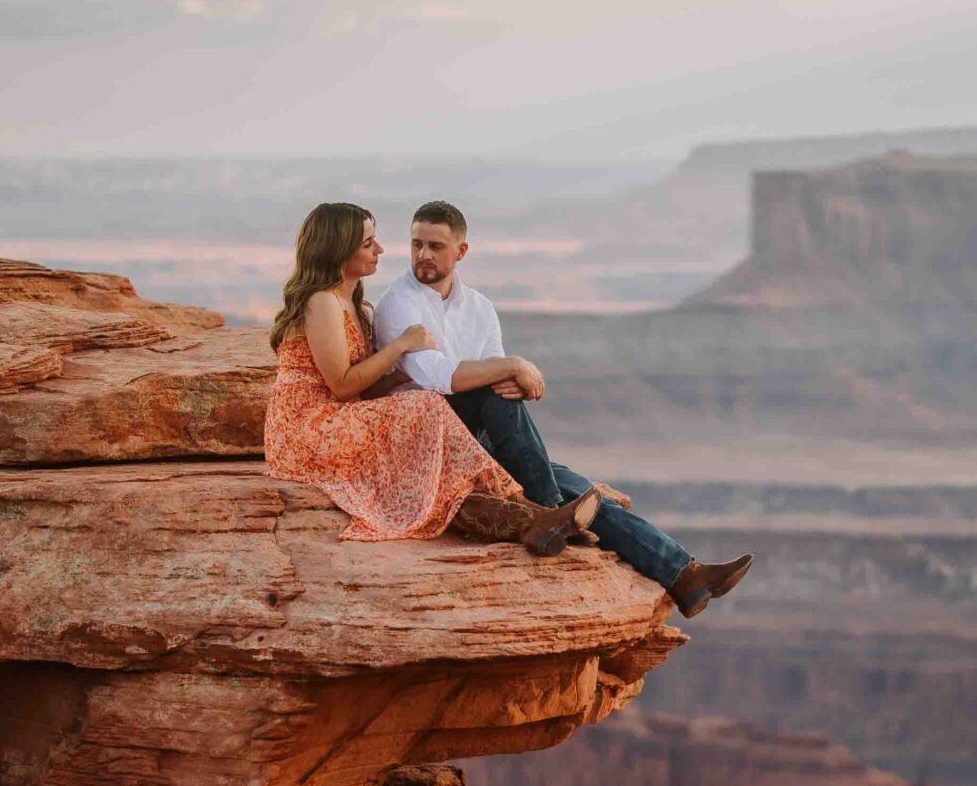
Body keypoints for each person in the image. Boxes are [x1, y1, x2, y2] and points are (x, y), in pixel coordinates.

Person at [372, 199, 753, 618]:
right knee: (501, 408)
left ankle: (684, 576)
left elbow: (497, 378)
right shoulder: (399, 304)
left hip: (475, 435)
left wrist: (506, 373)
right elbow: (436, 376)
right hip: (427, 435)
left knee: (578, 487)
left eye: (435, 246)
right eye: (416, 244)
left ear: (460, 252)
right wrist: (517, 365)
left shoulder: (478, 307)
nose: (422, 255)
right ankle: (553, 509)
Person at [264, 201, 601, 553]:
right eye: (367, 243)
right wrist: (401, 346)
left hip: (339, 418)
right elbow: (342, 386)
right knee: (428, 407)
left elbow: (363, 392)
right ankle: (542, 512)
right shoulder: (322, 301)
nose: (379, 249)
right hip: (307, 428)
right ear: (338, 248)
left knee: (428, 421)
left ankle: (535, 520)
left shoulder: (358, 305)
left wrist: (398, 378)